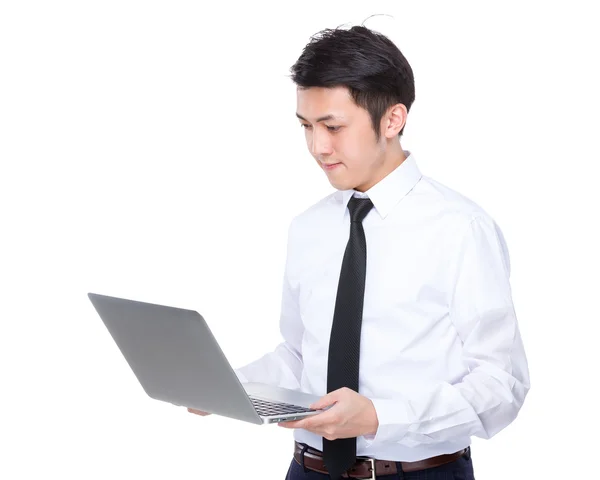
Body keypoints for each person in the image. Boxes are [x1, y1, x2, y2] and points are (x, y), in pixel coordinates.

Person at [189, 24, 530, 479]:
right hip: (306, 470)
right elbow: (299, 355)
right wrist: (227, 386)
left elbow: (501, 385)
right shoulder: (308, 227)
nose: (317, 147)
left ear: (392, 120)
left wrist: (378, 417)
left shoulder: (460, 228)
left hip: (418, 473)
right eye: (306, 127)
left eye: (333, 127)